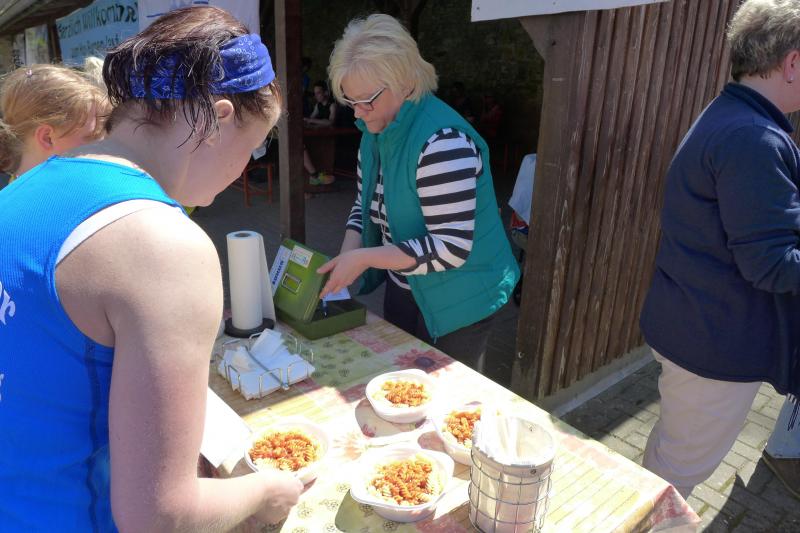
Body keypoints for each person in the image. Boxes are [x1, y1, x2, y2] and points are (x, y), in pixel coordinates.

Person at [0, 6, 302, 531]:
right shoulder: (165, 246)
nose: (243, 169)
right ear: (218, 119)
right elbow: (158, 515)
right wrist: (267, 491)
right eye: (254, 147)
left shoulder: (27, 187)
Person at [639, 0, 800, 500]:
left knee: (669, 453)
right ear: (793, 62)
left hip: (695, 326)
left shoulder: (733, 115)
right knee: (673, 478)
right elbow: (772, 264)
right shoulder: (753, 137)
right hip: (714, 345)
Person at [319, 14, 519, 373]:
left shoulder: (442, 143)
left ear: (406, 83)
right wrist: (348, 257)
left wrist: (365, 258)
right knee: (399, 380)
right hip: (407, 283)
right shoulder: (375, 130)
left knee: (444, 396)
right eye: (350, 101)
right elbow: (365, 203)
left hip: (461, 298)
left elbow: (451, 247)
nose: (359, 114)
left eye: (368, 101)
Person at [0, 64, 109, 182]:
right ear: (47, 138)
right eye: (91, 137)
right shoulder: (74, 189)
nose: (104, 147)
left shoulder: (15, 188)